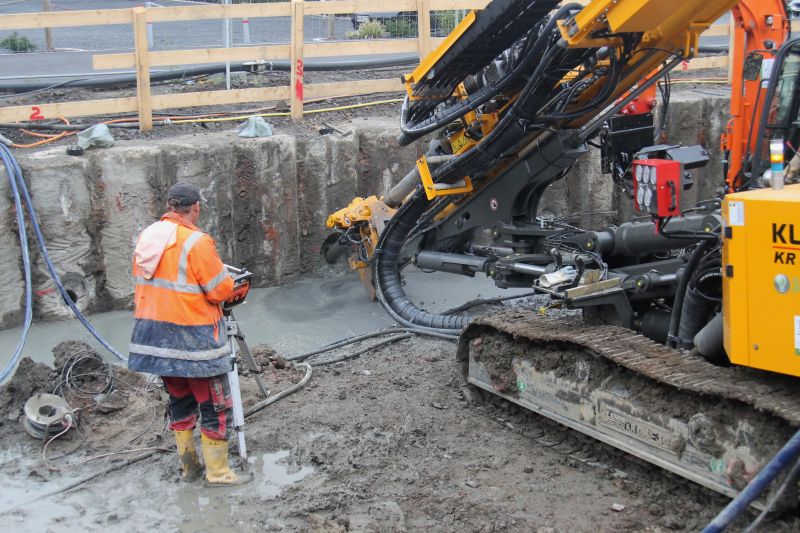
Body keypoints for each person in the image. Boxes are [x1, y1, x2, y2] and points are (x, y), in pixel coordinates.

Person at [128, 182, 243, 485]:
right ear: (196, 208)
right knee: (216, 406)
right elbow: (219, 289)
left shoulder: (147, 237)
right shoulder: (197, 242)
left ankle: (189, 468)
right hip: (194, 341)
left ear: (169, 206)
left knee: (180, 401)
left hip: (154, 340)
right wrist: (234, 286)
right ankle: (218, 473)